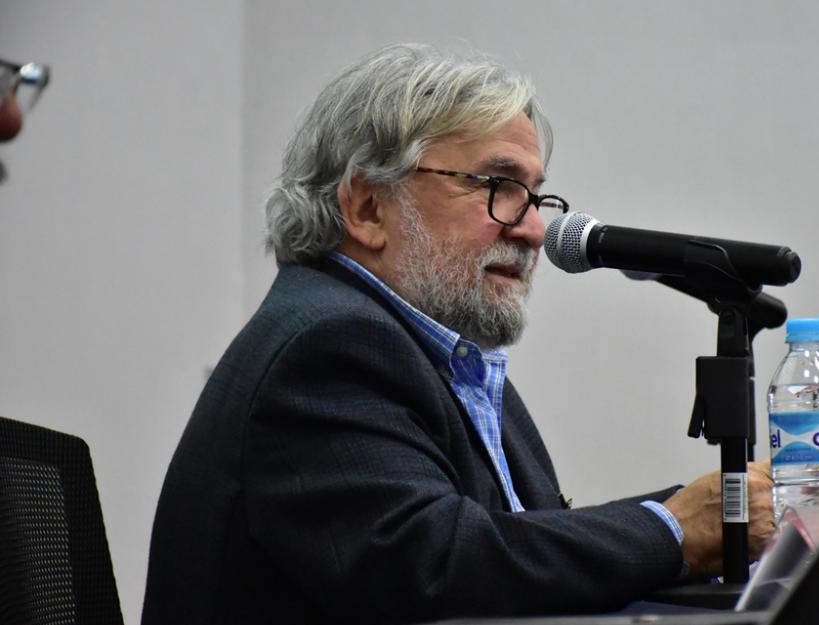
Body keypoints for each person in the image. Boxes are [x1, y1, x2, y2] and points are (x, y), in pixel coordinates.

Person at [142, 43, 774, 625]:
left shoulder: (435, 353)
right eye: (498, 186)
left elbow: (519, 540)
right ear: (367, 208)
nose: (533, 230)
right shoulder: (331, 348)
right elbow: (434, 566)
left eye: (535, 196)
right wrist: (670, 529)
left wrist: (698, 517)